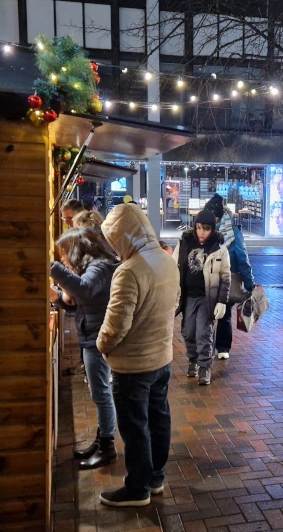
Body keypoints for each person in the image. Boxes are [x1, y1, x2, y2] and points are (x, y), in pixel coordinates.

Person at [96, 204, 179, 507]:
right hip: (162, 358)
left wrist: (102, 346)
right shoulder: (167, 261)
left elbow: (116, 324)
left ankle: (137, 488)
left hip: (133, 365)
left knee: (135, 428)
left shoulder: (129, 271)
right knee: (159, 419)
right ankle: (155, 477)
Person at [50, 228, 119, 469]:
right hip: (93, 335)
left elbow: (85, 290)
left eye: (64, 254)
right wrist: (57, 297)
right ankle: (102, 441)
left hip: (97, 339)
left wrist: (52, 268)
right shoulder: (97, 267)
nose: (64, 260)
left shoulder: (99, 267)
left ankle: (107, 447)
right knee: (100, 393)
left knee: (101, 394)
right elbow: (82, 301)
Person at [174, 209, 230, 386]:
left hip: (208, 298)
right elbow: (173, 267)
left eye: (206, 229)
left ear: (212, 229)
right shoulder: (184, 243)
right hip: (188, 296)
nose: (201, 232)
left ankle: (205, 366)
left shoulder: (219, 248)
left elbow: (225, 277)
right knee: (188, 332)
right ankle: (193, 360)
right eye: (198, 228)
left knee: (203, 334)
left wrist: (222, 301)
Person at [203, 194, 255, 360]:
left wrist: (250, 284)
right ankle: (222, 348)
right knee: (224, 315)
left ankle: (209, 348)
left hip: (212, 281)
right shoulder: (233, 234)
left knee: (208, 315)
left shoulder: (203, 232)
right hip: (227, 281)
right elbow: (242, 259)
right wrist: (249, 284)